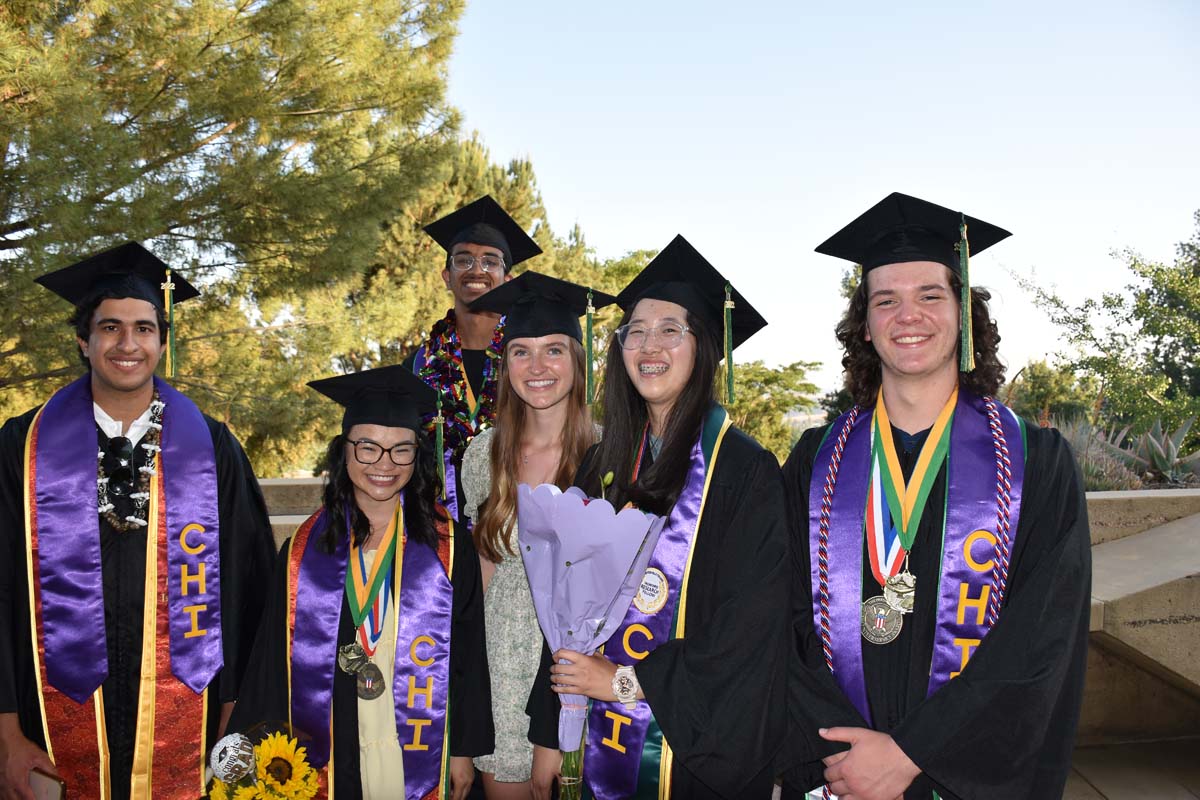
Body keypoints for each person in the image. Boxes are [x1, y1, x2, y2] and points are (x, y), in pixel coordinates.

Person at [781, 193, 1092, 800]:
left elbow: (1039, 640)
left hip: (962, 776)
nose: (908, 315)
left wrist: (910, 755)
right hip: (838, 772)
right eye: (885, 300)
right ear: (864, 326)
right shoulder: (814, 463)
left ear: (963, 313)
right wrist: (849, 754)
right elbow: (780, 618)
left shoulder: (1037, 465)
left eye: (930, 295)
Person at [0, 242, 276, 799]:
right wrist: (6, 732)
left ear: (162, 342)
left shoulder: (213, 449)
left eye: (145, 329)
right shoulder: (21, 448)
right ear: (84, 340)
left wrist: (236, 714)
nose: (128, 344)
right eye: (110, 328)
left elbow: (250, 587)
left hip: (190, 726)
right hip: (44, 725)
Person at [532, 235, 790, 799]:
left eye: (671, 329)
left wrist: (627, 681)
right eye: (636, 331)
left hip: (692, 756)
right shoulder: (604, 461)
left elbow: (752, 630)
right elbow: (559, 602)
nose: (650, 345)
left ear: (704, 348)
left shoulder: (745, 471)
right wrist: (549, 732)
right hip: (592, 740)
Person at [229, 365, 492, 800]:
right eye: (368, 447)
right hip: (334, 735)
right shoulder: (301, 551)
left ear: (418, 455)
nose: (384, 465)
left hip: (420, 730)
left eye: (401, 450)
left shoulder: (448, 545)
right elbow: (271, 664)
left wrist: (463, 752)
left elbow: (468, 652)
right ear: (344, 451)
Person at [460, 273, 617, 800]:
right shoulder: (483, 455)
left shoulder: (611, 455)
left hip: (576, 677)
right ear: (505, 366)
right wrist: (470, 703)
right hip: (500, 671)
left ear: (577, 358)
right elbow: (478, 582)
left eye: (553, 350)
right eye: (521, 352)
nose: (537, 367)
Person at [403, 195, 542, 520]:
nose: (476, 270)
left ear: (508, 279)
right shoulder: (418, 365)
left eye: (490, 261)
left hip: (520, 522)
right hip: (438, 526)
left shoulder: (532, 362)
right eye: (463, 260)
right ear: (446, 276)